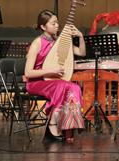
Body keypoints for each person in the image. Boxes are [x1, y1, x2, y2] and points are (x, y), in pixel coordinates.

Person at [25, 10, 85, 142]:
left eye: (57, 22)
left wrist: (80, 36)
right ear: (43, 26)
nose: (57, 25)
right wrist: (51, 70)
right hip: (36, 82)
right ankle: (52, 123)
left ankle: (68, 128)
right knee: (62, 86)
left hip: (54, 81)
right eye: (53, 23)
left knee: (74, 87)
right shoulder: (37, 43)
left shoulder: (59, 41)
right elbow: (28, 73)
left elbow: (81, 52)